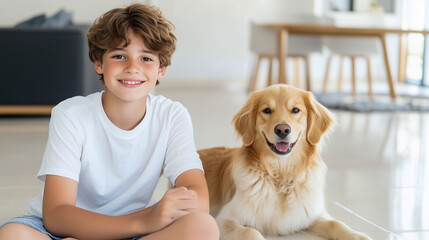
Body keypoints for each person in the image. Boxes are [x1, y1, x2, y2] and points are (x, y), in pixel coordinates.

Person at [0, 4, 219, 240]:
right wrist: (146, 219)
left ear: (161, 70)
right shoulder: (70, 115)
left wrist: (155, 217)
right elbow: (56, 215)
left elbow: (199, 200)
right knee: (13, 235)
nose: (132, 68)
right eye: (119, 56)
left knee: (204, 227)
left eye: (146, 58)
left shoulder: (172, 116)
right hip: (68, 229)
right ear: (99, 64)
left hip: (138, 230)